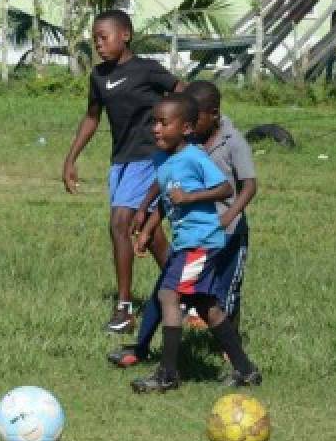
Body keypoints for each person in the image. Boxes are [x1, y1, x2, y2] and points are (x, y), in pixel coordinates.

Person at [110, 80, 258, 367]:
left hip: (222, 234)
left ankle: (226, 358)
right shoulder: (179, 148)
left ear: (209, 115)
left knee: (217, 295)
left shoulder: (229, 142)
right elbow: (169, 191)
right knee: (176, 295)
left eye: (194, 116)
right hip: (192, 235)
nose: (158, 129)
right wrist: (149, 220)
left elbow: (243, 187)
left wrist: (228, 216)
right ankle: (144, 350)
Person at [62, 9, 181, 334]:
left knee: (120, 223)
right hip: (121, 162)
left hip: (149, 157)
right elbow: (91, 117)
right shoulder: (99, 76)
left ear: (125, 34)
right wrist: (71, 158)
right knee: (152, 232)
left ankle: (124, 308)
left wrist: (175, 131)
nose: (98, 44)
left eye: (104, 37)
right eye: (95, 39)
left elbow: (181, 91)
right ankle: (185, 294)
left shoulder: (147, 70)